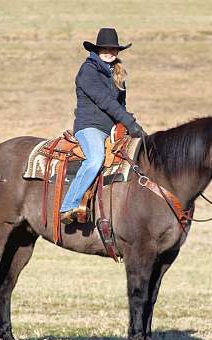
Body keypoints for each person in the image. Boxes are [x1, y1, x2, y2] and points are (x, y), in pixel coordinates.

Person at [59, 27, 146, 224]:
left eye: (113, 49)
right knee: (95, 159)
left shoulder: (117, 73)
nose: (110, 52)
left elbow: (121, 105)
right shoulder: (87, 71)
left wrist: (130, 127)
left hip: (112, 130)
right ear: (97, 50)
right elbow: (105, 101)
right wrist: (131, 124)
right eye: (105, 49)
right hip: (90, 126)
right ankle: (68, 205)